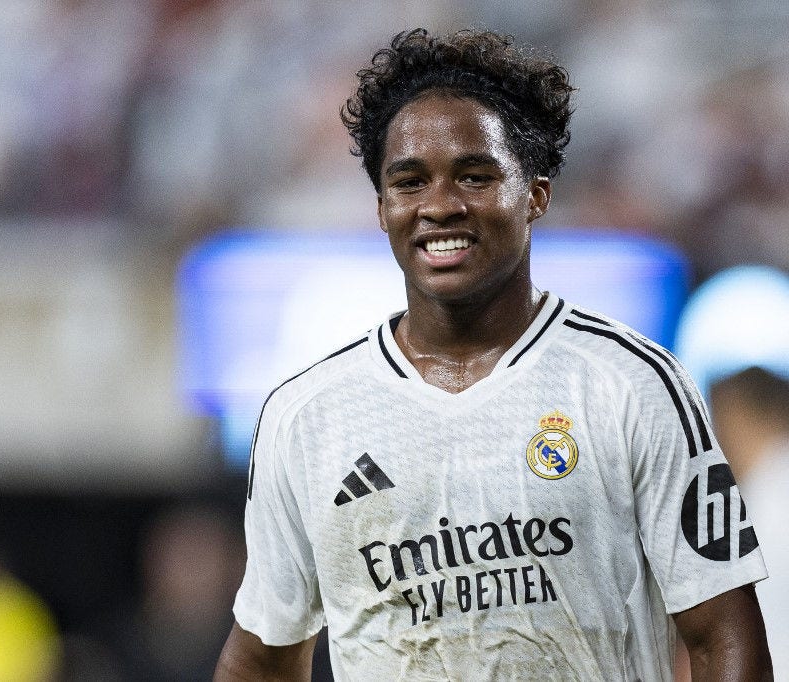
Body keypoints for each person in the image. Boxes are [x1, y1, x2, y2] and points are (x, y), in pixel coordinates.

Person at [214, 28, 772, 680]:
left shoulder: (634, 385)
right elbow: (260, 659)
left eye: (475, 177)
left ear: (535, 194)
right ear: (382, 207)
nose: (440, 206)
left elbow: (724, 642)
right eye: (410, 182)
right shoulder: (306, 416)